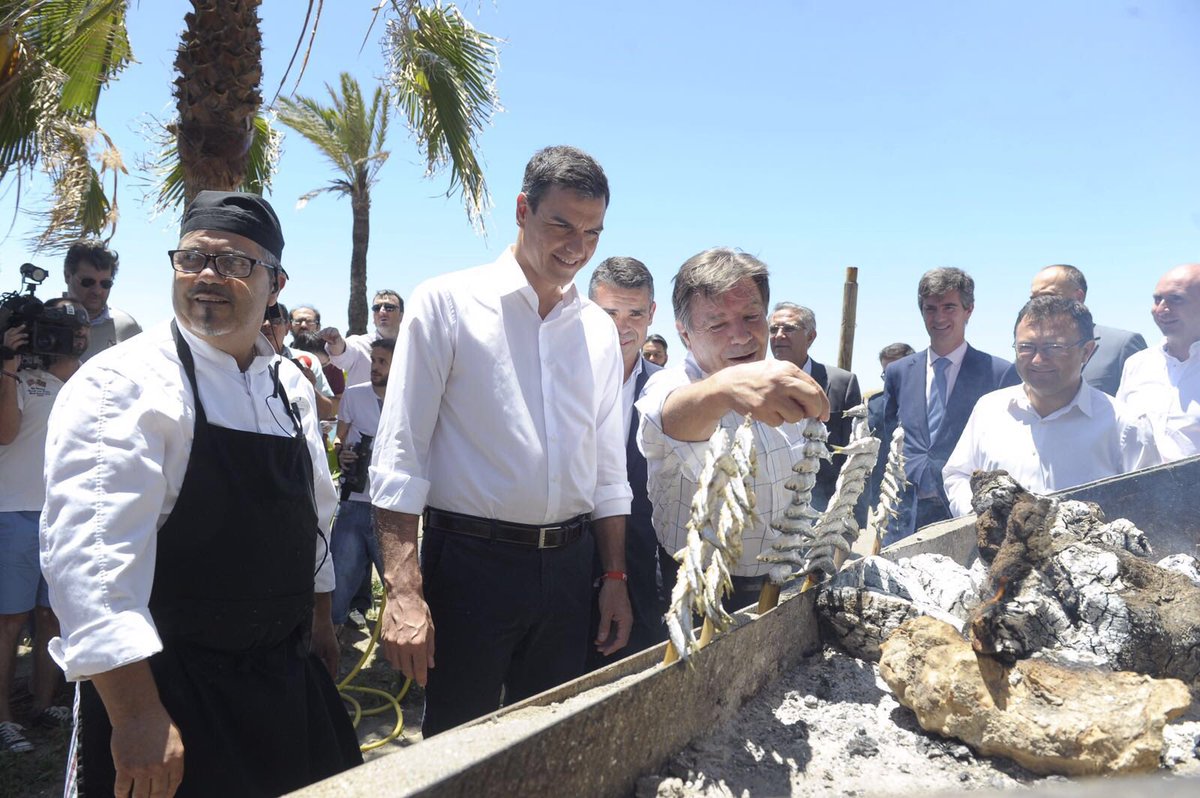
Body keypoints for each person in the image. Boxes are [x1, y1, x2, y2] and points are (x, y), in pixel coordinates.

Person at [41, 191, 361, 796]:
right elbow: (92, 562)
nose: (208, 276)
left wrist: (320, 616)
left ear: (274, 282)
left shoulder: (288, 385)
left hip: (284, 674)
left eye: (235, 263)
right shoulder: (121, 384)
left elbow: (316, 510)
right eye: (192, 260)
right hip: (168, 686)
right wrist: (135, 714)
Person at [370, 145, 633, 736]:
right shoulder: (446, 304)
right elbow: (398, 457)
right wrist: (404, 591)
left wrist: (613, 576)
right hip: (470, 569)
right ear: (522, 209)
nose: (577, 246)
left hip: (569, 571)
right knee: (460, 746)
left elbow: (608, 472)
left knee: (548, 740)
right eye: (561, 224)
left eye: (592, 232)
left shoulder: (596, 328)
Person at [637, 248, 830, 611]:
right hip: (700, 588)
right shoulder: (671, 384)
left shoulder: (782, 380)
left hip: (783, 580)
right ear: (684, 334)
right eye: (717, 324)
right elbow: (668, 418)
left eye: (751, 317)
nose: (740, 336)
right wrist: (725, 388)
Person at [943, 296, 1159, 516]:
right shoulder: (989, 410)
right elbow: (958, 475)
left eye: (1053, 347)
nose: (1037, 360)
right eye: (1026, 347)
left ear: (1087, 351)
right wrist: (979, 517)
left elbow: (1149, 504)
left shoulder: (1125, 425)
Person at [0, 298, 89, 753]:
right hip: (13, 512)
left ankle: (42, 703)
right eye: (56, 328)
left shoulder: (87, 385)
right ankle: (4, 718)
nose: (70, 336)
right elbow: (6, 434)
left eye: (78, 330)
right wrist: (8, 365)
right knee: (10, 621)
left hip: (61, 516)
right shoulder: (17, 377)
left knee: (50, 616)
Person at [881, 268, 1018, 541]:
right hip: (903, 514)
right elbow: (888, 439)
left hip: (962, 513)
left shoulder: (998, 373)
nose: (939, 317)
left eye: (949, 307)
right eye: (930, 308)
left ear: (969, 310)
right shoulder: (899, 372)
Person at [586, 256, 666, 664]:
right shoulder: (559, 378)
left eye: (635, 313)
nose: (621, 327)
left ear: (652, 314)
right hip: (567, 567)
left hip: (643, 570)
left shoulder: (671, 390)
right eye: (608, 314)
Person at [768, 302, 862, 511]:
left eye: (789, 328)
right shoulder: (755, 384)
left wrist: (853, 520)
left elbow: (856, 455)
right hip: (770, 511)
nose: (779, 335)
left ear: (811, 337)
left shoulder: (840, 383)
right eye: (773, 329)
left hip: (824, 514)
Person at [330, 338, 393, 634]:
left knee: (397, 581)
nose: (375, 368)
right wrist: (342, 452)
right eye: (374, 361)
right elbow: (338, 437)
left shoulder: (407, 399)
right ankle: (332, 638)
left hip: (391, 507)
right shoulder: (354, 395)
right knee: (340, 576)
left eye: (383, 362)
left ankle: (400, 655)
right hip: (354, 499)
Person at [1117, 263, 1200, 462]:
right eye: (1157, 299)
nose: (1161, 308)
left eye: (1176, 299)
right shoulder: (1137, 364)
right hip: (1137, 490)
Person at [1030, 264, 1146, 395]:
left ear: (1078, 297)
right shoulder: (1028, 353)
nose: (1037, 303)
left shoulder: (1122, 346)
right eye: (1033, 298)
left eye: (1047, 295)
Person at [63, 239, 142, 361]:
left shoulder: (128, 328)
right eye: (88, 282)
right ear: (67, 276)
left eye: (105, 284)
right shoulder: (41, 321)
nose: (97, 291)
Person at [263, 301, 337, 420]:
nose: (266, 324)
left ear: (287, 328)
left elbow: (326, 413)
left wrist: (310, 387)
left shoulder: (308, 361)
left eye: (275, 320)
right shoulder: (241, 361)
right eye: (261, 318)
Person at [865, 342, 915, 511]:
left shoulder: (932, 402)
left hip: (920, 495)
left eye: (896, 373)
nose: (891, 379)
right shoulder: (874, 405)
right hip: (884, 494)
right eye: (886, 374)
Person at [319, 290, 403, 388]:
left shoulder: (413, 346)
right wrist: (335, 342)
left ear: (401, 315)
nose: (382, 311)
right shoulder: (359, 344)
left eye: (389, 308)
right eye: (376, 308)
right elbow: (342, 353)